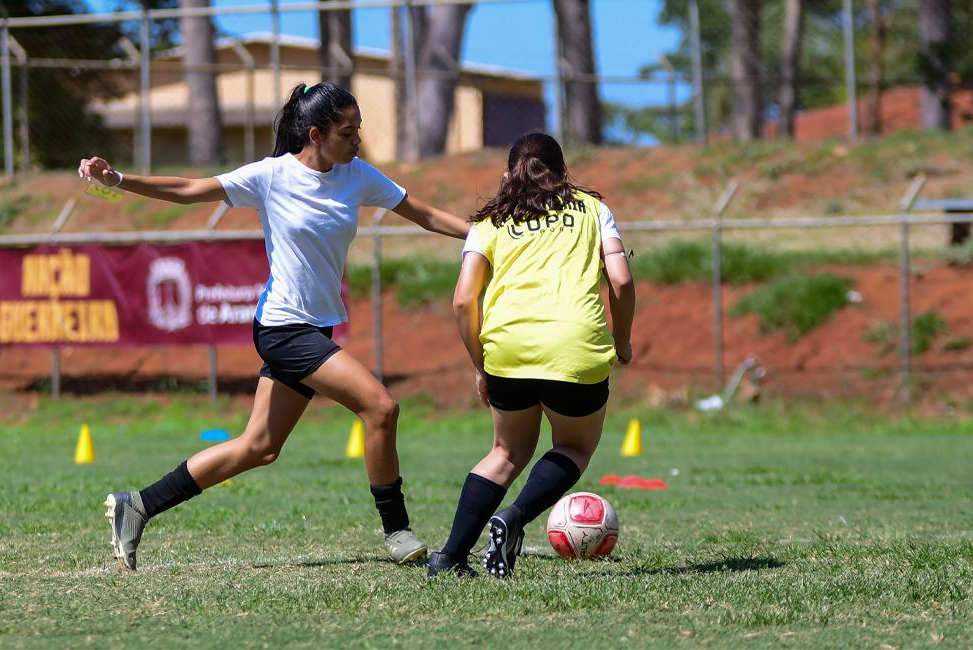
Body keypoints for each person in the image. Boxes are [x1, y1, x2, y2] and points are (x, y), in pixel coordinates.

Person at [78, 82, 469, 571]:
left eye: (358, 130)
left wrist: (481, 237)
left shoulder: (357, 175)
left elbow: (424, 214)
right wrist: (117, 179)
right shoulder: (271, 176)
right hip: (283, 328)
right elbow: (189, 190)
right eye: (347, 132)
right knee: (381, 408)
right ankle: (397, 531)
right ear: (315, 135)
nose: (357, 140)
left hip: (316, 328)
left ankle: (138, 505)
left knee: (259, 447)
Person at [426, 132, 635, 579]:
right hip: (575, 346)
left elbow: (463, 300)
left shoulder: (489, 221)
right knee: (574, 446)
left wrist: (481, 366)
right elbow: (620, 280)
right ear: (563, 172)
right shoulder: (593, 210)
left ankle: (449, 557)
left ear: (507, 175)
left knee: (506, 453)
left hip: (508, 347)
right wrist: (623, 341)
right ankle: (515, 516)